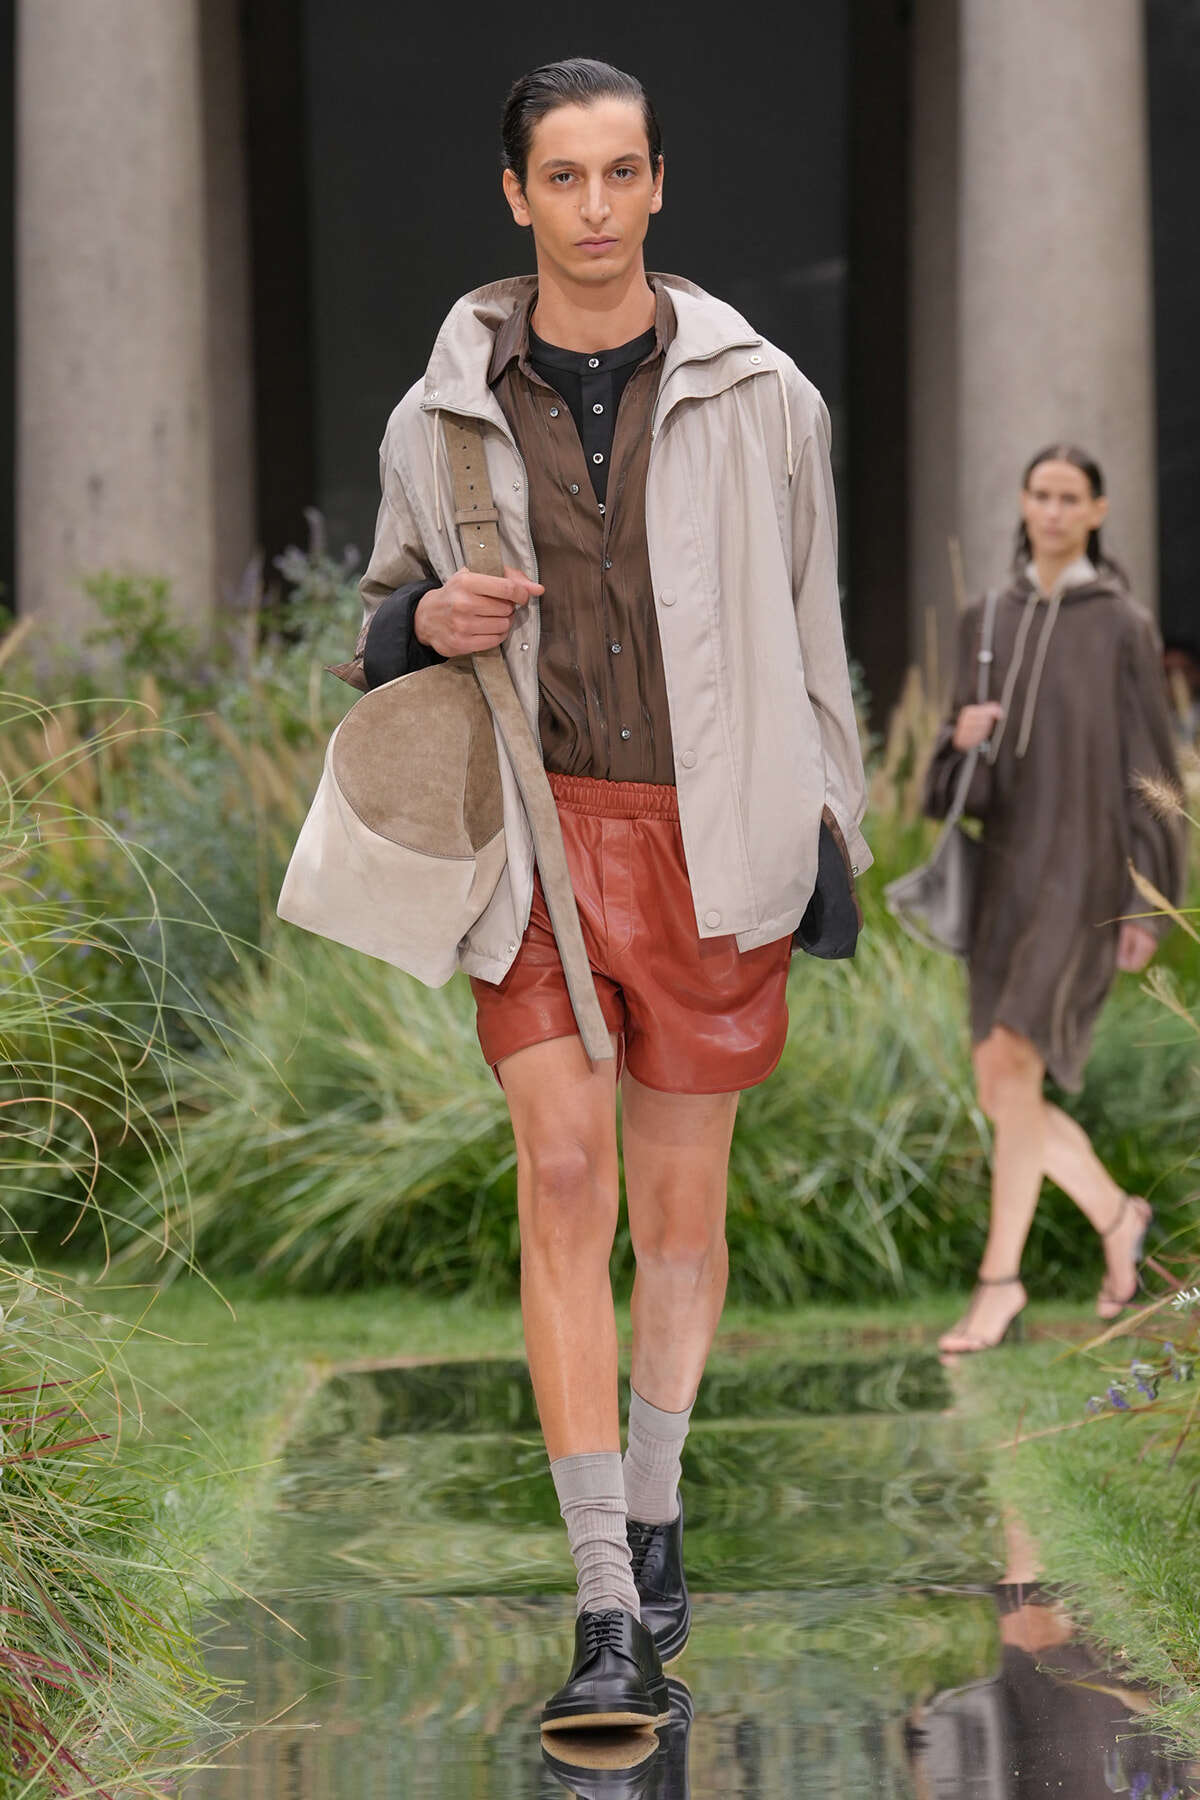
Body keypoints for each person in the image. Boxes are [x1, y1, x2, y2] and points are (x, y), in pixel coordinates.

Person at [346, 59, 869, 1730]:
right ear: (516, 197)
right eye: (559, 177)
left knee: (683, 1218)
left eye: (619, 173)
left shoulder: (766, 394)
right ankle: (602, 1609)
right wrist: (420, 627)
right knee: (563, 1177)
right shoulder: (441, 410)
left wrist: (831, 832)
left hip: (710, 837)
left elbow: (815, 629)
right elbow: (379, 613)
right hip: (536, 840)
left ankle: (654, 1503)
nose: (591, 205)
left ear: (658, 186)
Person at [925, 446, 1185, 1356]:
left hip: (1085, 880)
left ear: (1098, 509)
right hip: (1004, 875)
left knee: (1017, 1069)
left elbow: (1155, 769)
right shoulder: (983, 617)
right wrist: (958, 738)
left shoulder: (1121, 624)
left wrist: (1152, 902)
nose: (1053, 509)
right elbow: (953, 779)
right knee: (1003, 1086)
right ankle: (1117, 1217)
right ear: (1024, 502)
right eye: (1040, 493)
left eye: (1071, 496)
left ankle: (999, 1285)